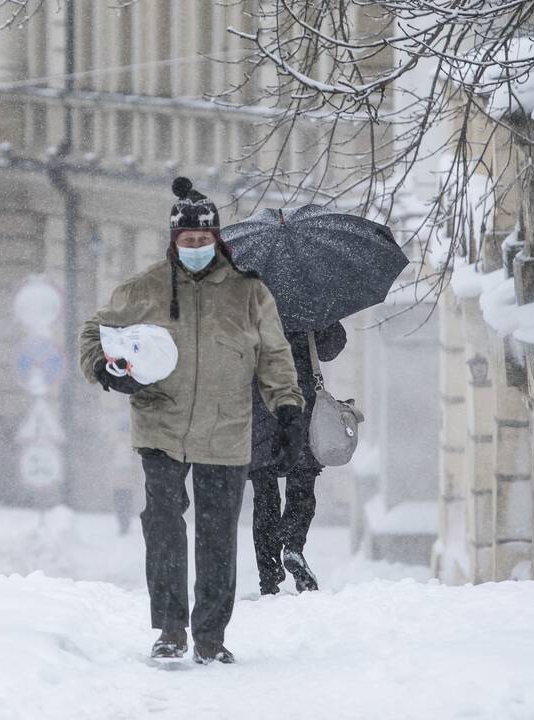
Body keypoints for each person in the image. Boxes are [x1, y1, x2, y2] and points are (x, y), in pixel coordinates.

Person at [79, 177, 305, 665]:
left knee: (217, 534)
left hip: (226, 431)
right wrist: (106, 370)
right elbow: (95, 332)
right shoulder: (146, 288)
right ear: (174, 241)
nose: (196, 248)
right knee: (163, 524)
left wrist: (287, 410)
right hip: (160, 424)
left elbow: (274, 355)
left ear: (217, 240)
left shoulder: (250, 293)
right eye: (188, 241)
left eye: (204, 241)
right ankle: (169, 629)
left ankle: (209, 636)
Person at [250, 323, 347, 595]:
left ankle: (268, 576)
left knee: (265, 493)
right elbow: (330, 348)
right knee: (301, 485)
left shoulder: (246, 295)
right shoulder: (305, 300)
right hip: (299, 405)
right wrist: (323, 322)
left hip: (259, 406)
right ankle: (292, 545)